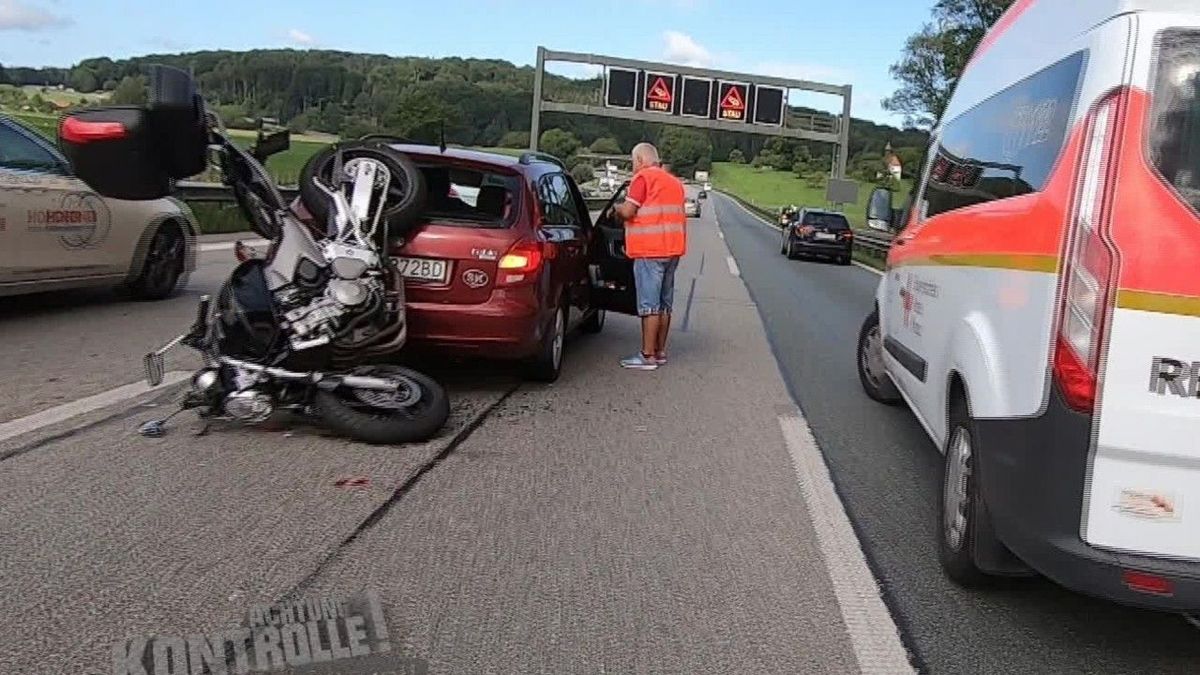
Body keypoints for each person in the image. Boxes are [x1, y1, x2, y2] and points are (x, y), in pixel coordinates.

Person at [613, 143, 687, 371]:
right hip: (672, 250)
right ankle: (660, 352)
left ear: (640, 159)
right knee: (665, 305)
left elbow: (627, 212)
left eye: (633, 161)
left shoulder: (643, 179)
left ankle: (646, 356)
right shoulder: (674, 182)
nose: (633, 166)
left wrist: (615, 208)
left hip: (649, 251)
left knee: (649, 306)